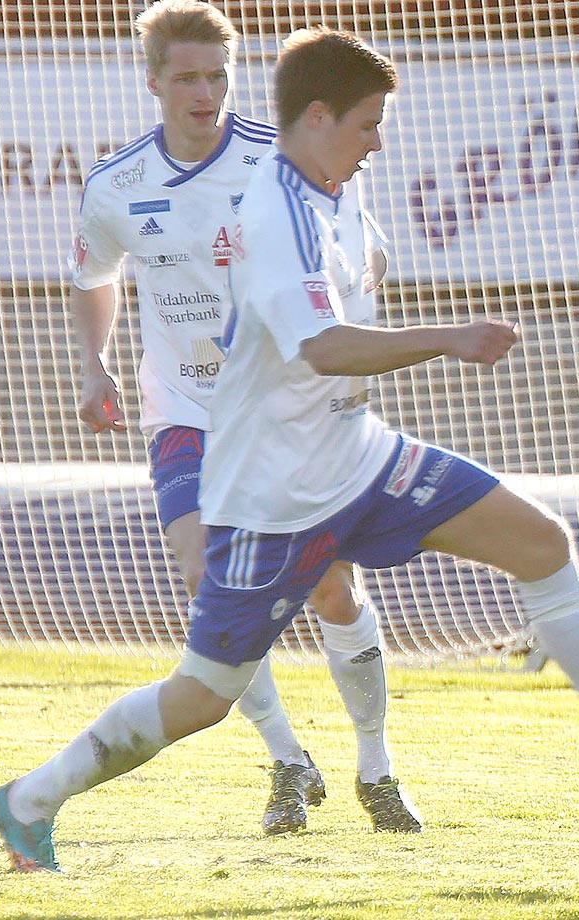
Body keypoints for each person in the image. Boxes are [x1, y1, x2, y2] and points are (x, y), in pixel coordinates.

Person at [0, 26, 579, 874]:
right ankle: (30, 800)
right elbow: (323, 347)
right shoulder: (270, 209)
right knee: (204, 694)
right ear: (318, 118)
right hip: (272, 487)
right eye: (369, 124)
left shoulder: (333, 183)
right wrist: (450, 337)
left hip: (355, 454)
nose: (380, 142)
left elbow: (353, 281)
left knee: (543, 542)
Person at [62, 0, 418, 835]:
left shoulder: (280, 159)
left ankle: (377, 766)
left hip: (288, 409)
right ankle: (289, 760)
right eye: (186, 76)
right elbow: (93, 277)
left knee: (330, 586)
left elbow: (363, 248)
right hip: (186, 407)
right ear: (153, 81)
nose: (204, 91)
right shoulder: (117, 185)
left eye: (217, 75)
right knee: (206, 575)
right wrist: (93, 364)